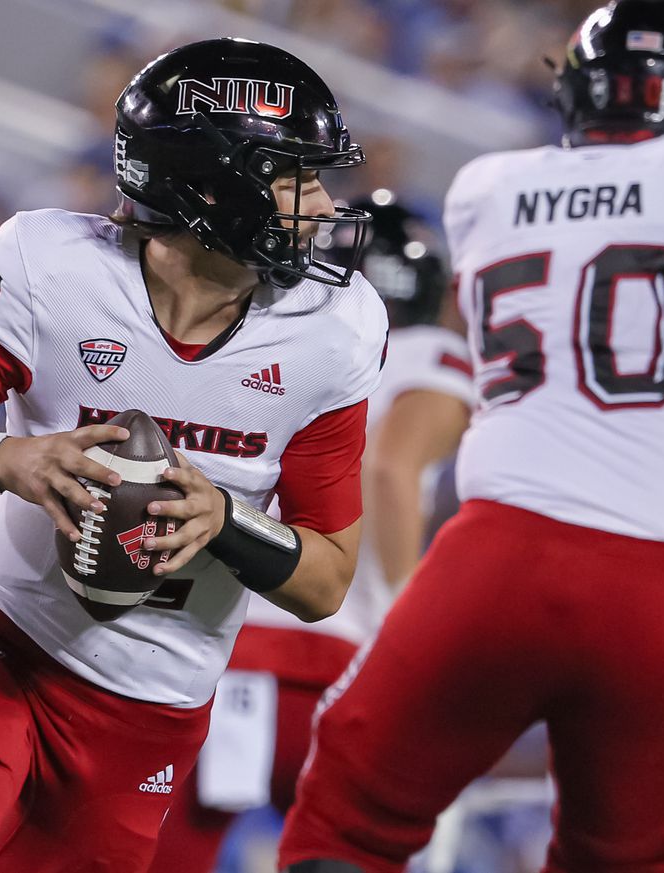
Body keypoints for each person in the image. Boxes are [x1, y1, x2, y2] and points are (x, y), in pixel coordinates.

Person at [0, 37, 388, 873]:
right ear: (207, 186)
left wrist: (225, 520)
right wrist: (7, 458)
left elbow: (328, 578)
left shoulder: (331, 333)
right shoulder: (58, 273)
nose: (321, 200)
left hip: (151, 714)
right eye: (294, 175)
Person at [280, 2, 664, 871]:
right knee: (631, 855)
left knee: (349, 814)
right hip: (661, 573)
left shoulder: (488, 190)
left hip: (496, 551)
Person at [147, 193, 473, 872]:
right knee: (350, 848)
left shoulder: (271, 337)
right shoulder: (429, 358)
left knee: (167, 851)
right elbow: (390, 465)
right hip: (330, 661)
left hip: (223, 644)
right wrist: (407, 615)